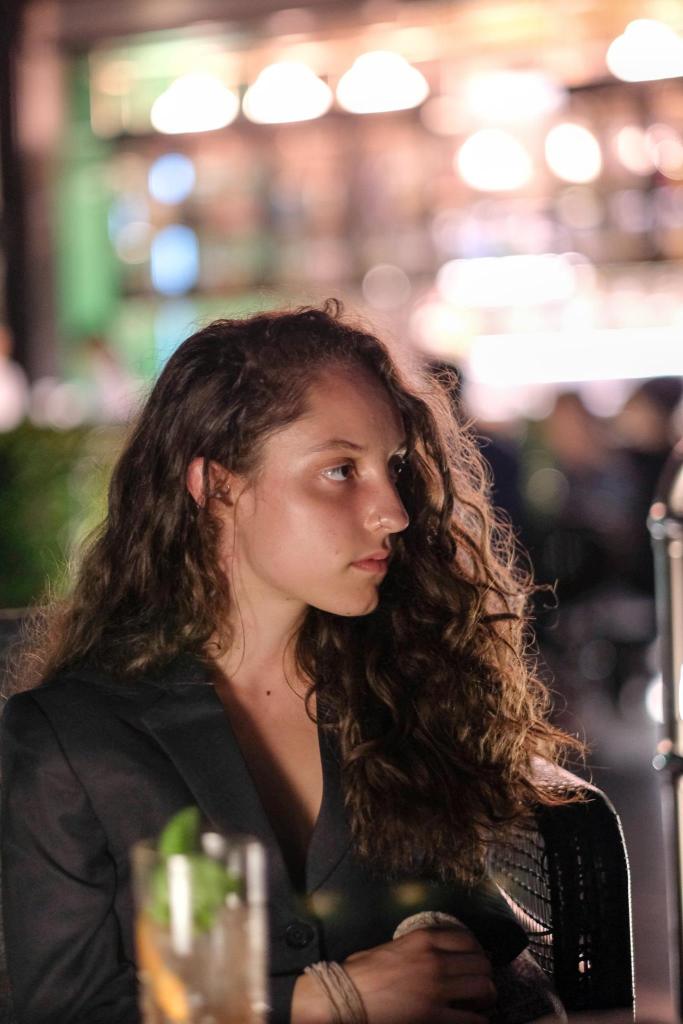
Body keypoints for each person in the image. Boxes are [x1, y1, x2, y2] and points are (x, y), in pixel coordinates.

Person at [2, 302, 578, 1024]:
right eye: (340, 470)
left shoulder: (407, 690)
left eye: (393, 467)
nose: (394, 512)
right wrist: (323, 1001)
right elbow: (64, 1008)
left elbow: (494, 961)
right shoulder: (72, 739)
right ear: (217, 487)